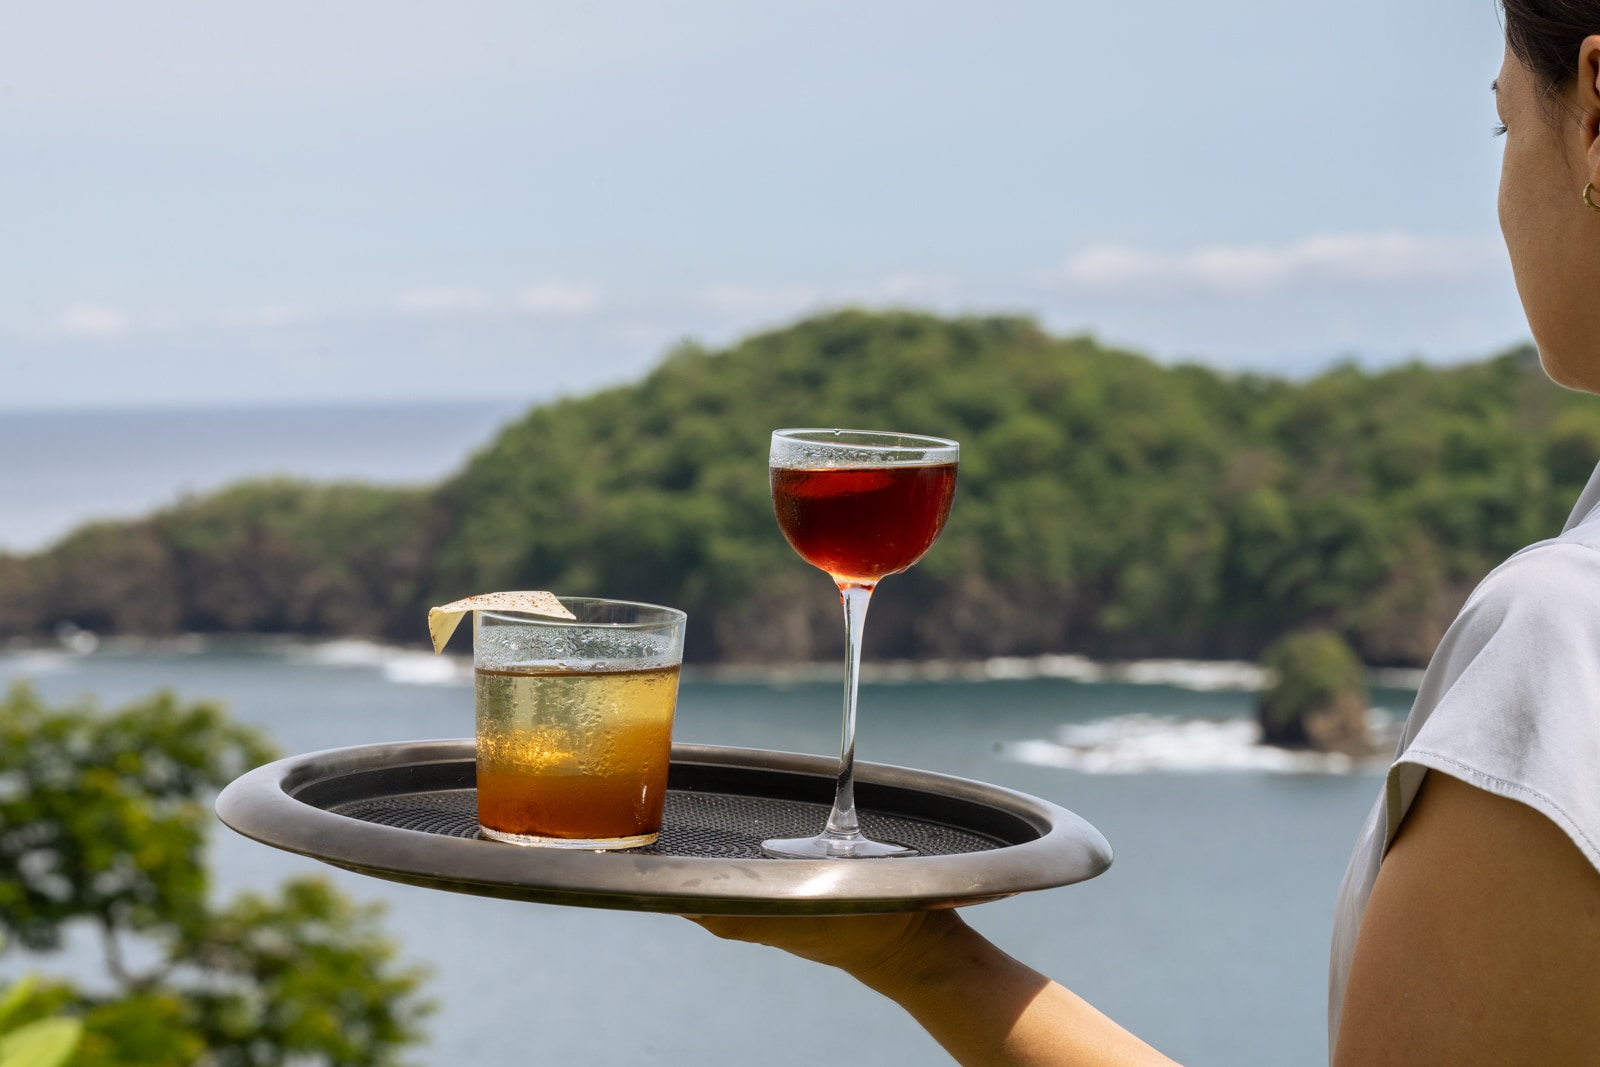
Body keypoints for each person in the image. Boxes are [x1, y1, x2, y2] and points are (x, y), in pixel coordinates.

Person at [693, 5, 1600, 1063]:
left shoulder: (1560, 642)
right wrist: (914, 950)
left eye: (1503, 125)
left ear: (1594, 118)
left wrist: (922, 957)